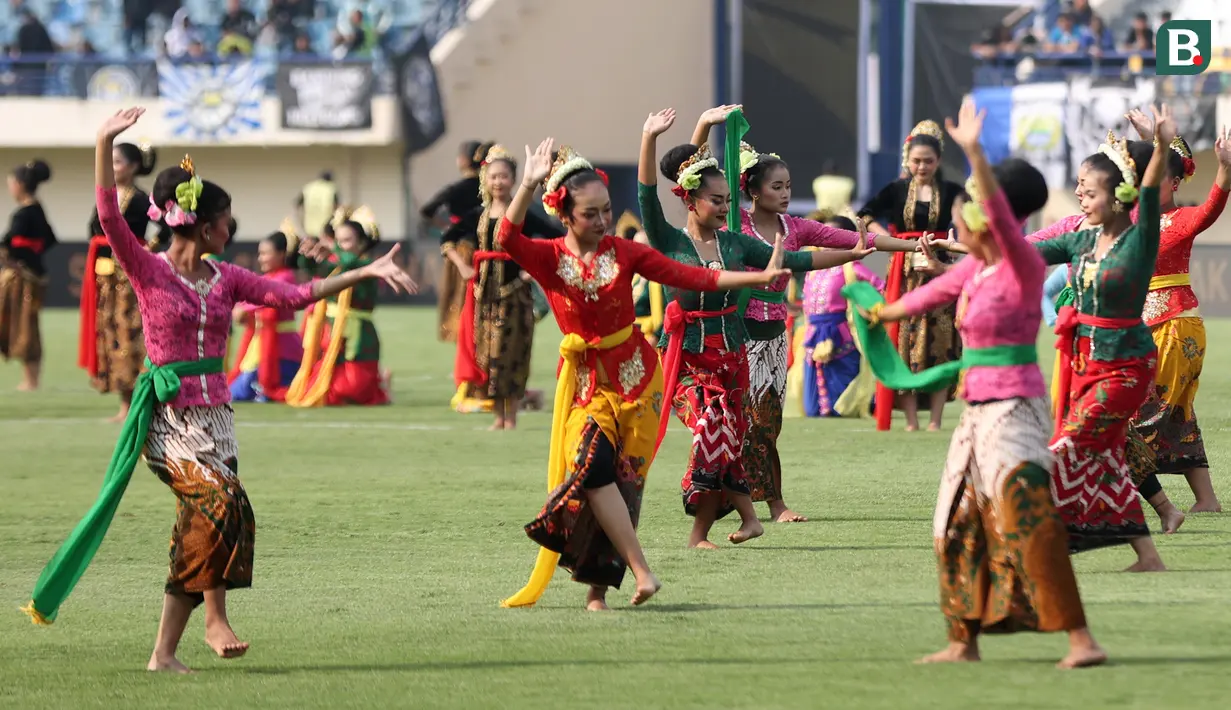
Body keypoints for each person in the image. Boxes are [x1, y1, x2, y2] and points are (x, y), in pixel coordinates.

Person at [20, 107, 416, 675]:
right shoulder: (149, 269)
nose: (234, 231)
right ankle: (214, 620)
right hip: (169, 423)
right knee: (224, 504)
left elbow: (299, 296)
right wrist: (105, 137)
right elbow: (109, 214)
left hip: (217, 420)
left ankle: (163, 654)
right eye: (227, 221)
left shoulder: (227, 278)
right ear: (203, 225)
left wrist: (365, 272)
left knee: (203, 524)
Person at [847, 97, 1105, 669]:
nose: (956, 215)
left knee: (1027, 518)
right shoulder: (978, 265)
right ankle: (963, 640)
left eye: (965, 207)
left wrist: (973, 152)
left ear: (985, 214)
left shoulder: (1021, 261)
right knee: (955, 521)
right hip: (977, 412)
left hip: (1013, 410)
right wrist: (883, 316)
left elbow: (1001, 217)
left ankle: (1081, 639)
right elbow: (931, 293)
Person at [497, 137, 792, 611]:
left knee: (624, 484)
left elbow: (696, 277)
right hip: (587, 386)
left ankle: (597, 593)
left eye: (606, 210)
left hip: (637, 380)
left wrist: (755, 279)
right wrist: (527, 183)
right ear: (564, 215)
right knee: (592, 469)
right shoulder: (551, 258)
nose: (602, 221)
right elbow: (505, 240)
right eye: (590, 213)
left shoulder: (624, 253)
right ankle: (640, 572)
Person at [640, 108, 875, 547]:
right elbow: (646, 194)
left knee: (730, 435)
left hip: (730, 360)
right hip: (688, 360)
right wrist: (649, 138)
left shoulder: (734, 242)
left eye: (729, 200)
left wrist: (854, 254)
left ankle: (719, 529)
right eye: (717, 201)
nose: (726, 208)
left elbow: (796, 260)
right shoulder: (670, 241)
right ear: (690, 200)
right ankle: (731, 519)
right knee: (714, 425)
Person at [691, 110, 917, 521]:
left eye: (789, 185)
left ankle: (753, 503)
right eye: (777, 186)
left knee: (768, 423)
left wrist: (916, 247)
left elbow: (857, 239)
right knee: (745, 421)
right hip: (740, 336)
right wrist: (706, 126)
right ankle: (763, 505)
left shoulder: (794, 227)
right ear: (753, 191)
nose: (785, 192)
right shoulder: (734, 224)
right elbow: (696, 175)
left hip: (776, 338)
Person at [1034, 106, 1179, 571]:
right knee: (1108, 458)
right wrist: (961, 247)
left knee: (1067, 448)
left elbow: (1152, 190)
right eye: (1077, 186)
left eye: (1088, 190)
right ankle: (1148, 554)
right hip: (1085, 366)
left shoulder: (1139, 240)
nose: (1079, 195)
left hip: (1127, 367)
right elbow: (1022, 251)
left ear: (1117, 197)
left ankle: (1043, 541)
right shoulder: (1079, 240)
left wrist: (1159, 145)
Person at [1123, 109, 1230, 514]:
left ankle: (1134, 497)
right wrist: (1158, 138)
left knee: (1140, 414)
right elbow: (1176, 161)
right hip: (1149, 326)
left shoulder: (1180, 220)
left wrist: (1223, 170)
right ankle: (1207, 500)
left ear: (1172, 183)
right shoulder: (1130, 217)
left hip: (1173, 326)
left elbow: (1211, 208)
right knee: (1178, 414)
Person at [859, 120, 966, 432]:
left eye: (928, 161)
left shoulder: (952, 191)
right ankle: (909, 420)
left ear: (939, 162)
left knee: (942, 340)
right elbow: (864, 215)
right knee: (903, 339)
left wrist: (953, 245)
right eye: (917, 160)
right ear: (907, 159)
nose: (922, 166)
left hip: (940, 268)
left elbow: (971, 219)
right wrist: (891, 242)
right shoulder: (896, 190)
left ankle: (934, 420)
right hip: (903, 272)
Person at [450, 145, 563, 429]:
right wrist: (463, 266)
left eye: (504, 177)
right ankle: (497, 416)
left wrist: (532, 270)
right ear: (485, 180)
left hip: (515, 296)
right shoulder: (477, 214)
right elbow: (447, 240)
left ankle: (510, 416)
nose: (498, 182)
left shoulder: (524, 212)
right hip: (483, 297)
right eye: (493, 177)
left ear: (514, 180)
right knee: (488, 356)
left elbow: (557, 239)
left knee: (512, 356)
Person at [288, 206, 394, 406]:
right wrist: (307, 253)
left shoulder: (368, 265)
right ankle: (377, 382)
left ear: (362, 243)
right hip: (331, 329)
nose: (340, 246)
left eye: (346, 241)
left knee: (351, 390)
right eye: (338, 241)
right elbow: (314, 268)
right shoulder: (337, 264)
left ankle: (379, 384)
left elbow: (350, 263)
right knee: (321, 389)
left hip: (359, 334)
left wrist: (332, 249)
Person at [81, 142, 156, 421]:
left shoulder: (140, 199)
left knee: (131, 335)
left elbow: (166, 229)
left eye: (117, 162)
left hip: (130, 279)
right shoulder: (107, 196)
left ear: (134, 166)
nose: (112, 168)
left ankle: (137, 404)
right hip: (107, 279)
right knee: (112, 335)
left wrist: (149, 248)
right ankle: (124, 404)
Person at [801, 216, 885, 417]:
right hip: (814, 332)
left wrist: (869, 309)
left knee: (842, 398)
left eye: (833, 238)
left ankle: (860, 403)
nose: (826, 244)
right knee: (813, 408)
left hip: (841, 331)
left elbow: (880, 289)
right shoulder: (813, 269)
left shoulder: (852, 268)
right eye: (823, 238)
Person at [229, 232, 304, 403]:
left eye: (265, 253)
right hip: (262, 348)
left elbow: (268, 296)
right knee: (236, 391)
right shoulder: (265, 278)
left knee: (237, 393)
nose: (260, 258)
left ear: (281, 254)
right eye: (259, 253)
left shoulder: (286, 277)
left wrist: (242, 309)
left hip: (282, 351)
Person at [0, 158, 55, 391]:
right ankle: (30, 379)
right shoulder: (35, 209)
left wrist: (17, 259)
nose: (10, 188)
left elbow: (12, 244)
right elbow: (50, 239)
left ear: (21, 184)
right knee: (26, 324)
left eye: (11, 183)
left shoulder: (25, 213)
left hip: (24, 278)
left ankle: (31, 380)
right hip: (31, 274)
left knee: (26, 325)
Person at [427, 140, 486, 342]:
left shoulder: (455, 189)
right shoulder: (490, 187)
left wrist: (447, 226)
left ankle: (465, 355)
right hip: (488, 250)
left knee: (460, 302)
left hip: (462, 250)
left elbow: (428, 210)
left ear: (462, 160)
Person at [296, 170, 339, 240]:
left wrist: (301, 223)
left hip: (309, 228)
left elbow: (297, 206)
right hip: (326, 228)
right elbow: (337, 208)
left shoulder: (308, 188)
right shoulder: (331, 188)